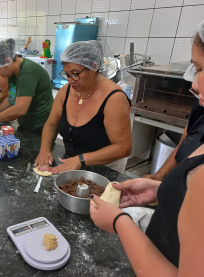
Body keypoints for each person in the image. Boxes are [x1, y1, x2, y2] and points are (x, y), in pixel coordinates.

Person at [90, 19, 204, 275]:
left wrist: (119, 222)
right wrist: (164, 189)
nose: (194, 85)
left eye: (200, 68)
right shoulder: (201, 111)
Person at [34, 41, 131, 174]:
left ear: (94, 67)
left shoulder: (114, 99)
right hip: (71, 162)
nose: (70, 80)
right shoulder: (66, 91)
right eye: (67, 74)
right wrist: (45, 149)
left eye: (75, 73)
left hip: (104, 168)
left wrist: (81, 160)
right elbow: (51, 124)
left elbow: (123, 147)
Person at [0, 38, 54, 132]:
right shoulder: (12, 73)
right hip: (26, 123)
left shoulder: (27, 72)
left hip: (42, 126)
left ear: (7, 61)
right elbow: (10, 99)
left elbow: (19, 110)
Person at [144, 67, 204, 181]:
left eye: (200, 68)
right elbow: (184, 143)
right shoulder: (200, 106)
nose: (194, 86)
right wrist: (159, 176)